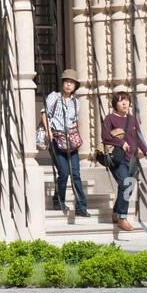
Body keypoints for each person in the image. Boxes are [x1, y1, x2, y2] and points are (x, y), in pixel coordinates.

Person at [102, 90, 147, 231]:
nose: (124, 103)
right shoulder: (110, 118)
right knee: (125, 184)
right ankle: (122, 218)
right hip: (118, 158)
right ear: (115, 104)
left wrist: (146, 151)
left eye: (126, 100)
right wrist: (120, 143)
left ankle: (116, 212)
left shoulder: (132, 119)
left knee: (128, 187)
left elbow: (138, 137)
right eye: (120, 100)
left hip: (133, 158)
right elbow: (105, 137)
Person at [43, 68, 90, 217]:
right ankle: (59, 200)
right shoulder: (54, 97)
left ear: (75, 86)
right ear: (62, 83)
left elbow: (73, 121)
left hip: (70, 140)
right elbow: (44, 113)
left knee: (75, 173)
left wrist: (75, 132)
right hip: (56, 138)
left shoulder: (76, 102)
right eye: (67, 82)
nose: (69, 85)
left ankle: (81, 207)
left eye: (72, 83)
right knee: (63, 173)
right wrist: (48, 131)